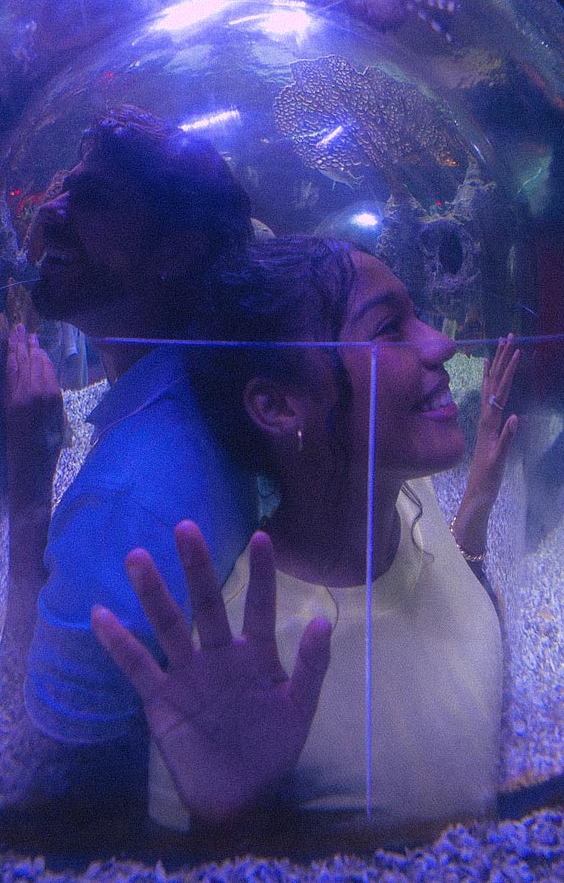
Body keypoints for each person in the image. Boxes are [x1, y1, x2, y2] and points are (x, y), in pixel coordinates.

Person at [91, 236, 521, 846]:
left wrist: (474, 514)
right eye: (389, 329)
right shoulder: (242, 664)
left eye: (417, 315)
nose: (441, 344)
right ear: (277, 405)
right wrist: (228, 820)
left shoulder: (407, 494)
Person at [0, 105, 256, 822]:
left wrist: (26, 490)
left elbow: (41, 778)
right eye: (63, 187)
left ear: (177, 248)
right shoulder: (207, 400)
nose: (52, 211)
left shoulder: (120, 504)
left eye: (96, 199)